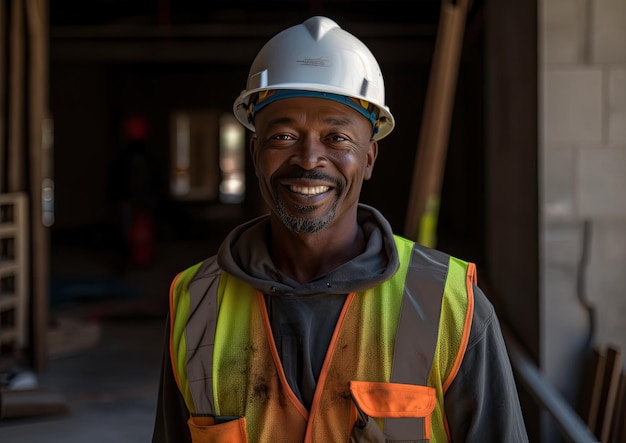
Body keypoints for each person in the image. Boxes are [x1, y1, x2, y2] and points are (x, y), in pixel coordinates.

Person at [152, 16, 528, 443]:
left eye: (337, 138)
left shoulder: (450, 305)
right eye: (284, 136)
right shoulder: (196, 303)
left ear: (369, 158)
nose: (309, 159)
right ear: (255, 153)